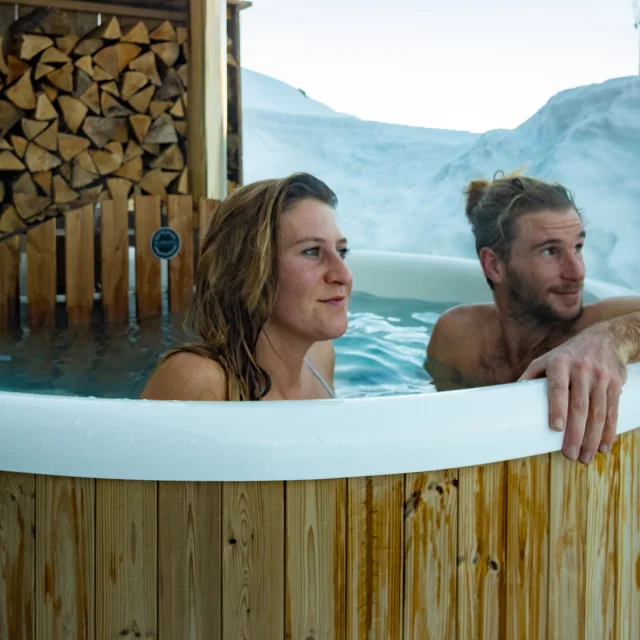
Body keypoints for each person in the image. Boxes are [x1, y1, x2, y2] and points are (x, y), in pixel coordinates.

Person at [425, 170, 640, 464]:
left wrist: (613, 338)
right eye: (550, 251)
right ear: (495, 264)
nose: (577, 271)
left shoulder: (599, 324)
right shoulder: (457, 335)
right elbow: (436, 432)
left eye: (577, 247)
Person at [140, 172, 352, 402]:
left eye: (341, 251)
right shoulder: (198, 380)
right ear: (250, 269)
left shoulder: (319, 357)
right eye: (311, 251)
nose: (343, 275)